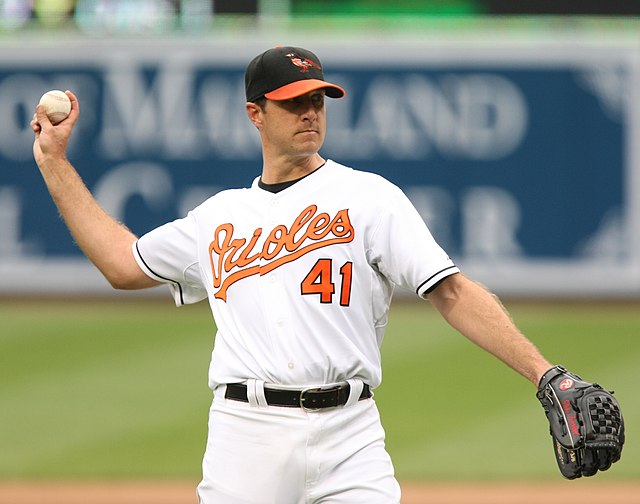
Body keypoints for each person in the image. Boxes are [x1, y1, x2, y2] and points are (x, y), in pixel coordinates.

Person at [30, 46, 563, 503]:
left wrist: (546, 375)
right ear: (255, 114)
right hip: (246, 436)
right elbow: (122, 264)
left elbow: (451, 291)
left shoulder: (369, 198)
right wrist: (54, 162)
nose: (309, 112)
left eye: (316, 100)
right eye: (292, 102)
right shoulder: (220, 216)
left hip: (350, 432)